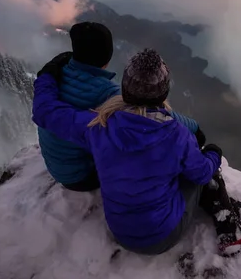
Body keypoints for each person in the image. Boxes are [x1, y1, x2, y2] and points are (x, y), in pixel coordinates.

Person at [32, 49, 241, 256]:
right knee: (206, 170)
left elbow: (45, 112)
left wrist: (47, 74)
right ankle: (230, 234)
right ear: (163, 93)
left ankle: (232, 211)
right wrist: (214, 153)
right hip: (160, 237)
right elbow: (202, 174)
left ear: (125, 89)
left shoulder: (98, 127)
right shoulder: (175, 136)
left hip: (120, 230)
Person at [37, 22, 205, 192]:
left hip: (57, 168)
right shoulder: (108, 93)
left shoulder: (54, 77)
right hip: (84, 176)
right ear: (107, 58)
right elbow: (154, 114)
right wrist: (195, 129)